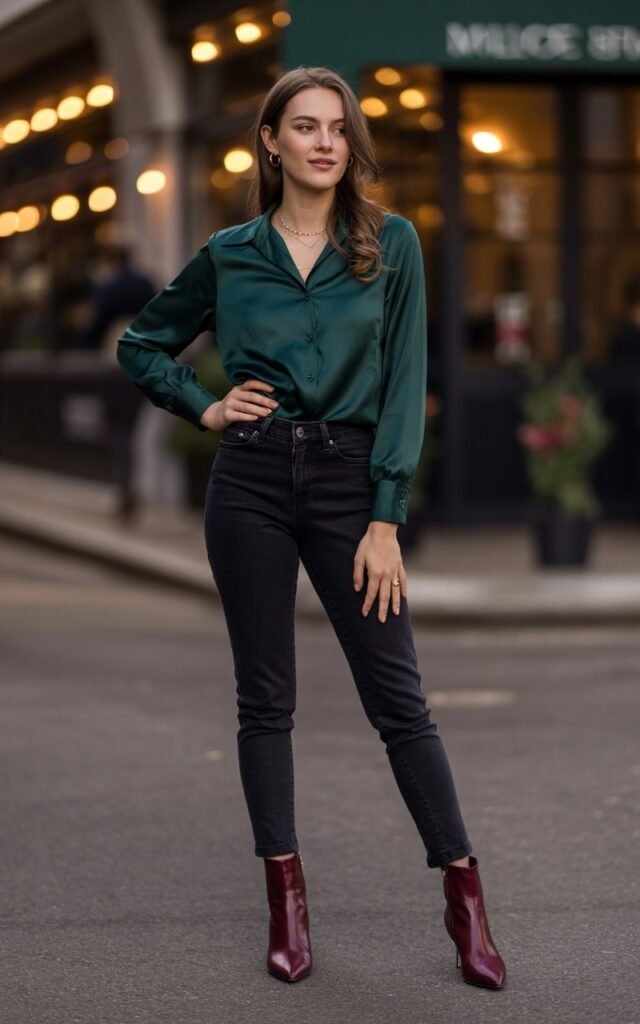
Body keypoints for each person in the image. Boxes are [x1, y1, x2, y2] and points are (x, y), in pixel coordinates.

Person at [116, 66, 507, 991]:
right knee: (265, 702)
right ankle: (286, 905)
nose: (325, 142)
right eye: (305, 126)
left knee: (399, 701)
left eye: (337, 127)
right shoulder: (230, 252)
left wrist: (386, 518)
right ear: (271, 142)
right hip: (250, 480)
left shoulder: (391, 243)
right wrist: (206, 406)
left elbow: (404, 383)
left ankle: (465, 899)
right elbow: (141, 344)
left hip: (348, 482)